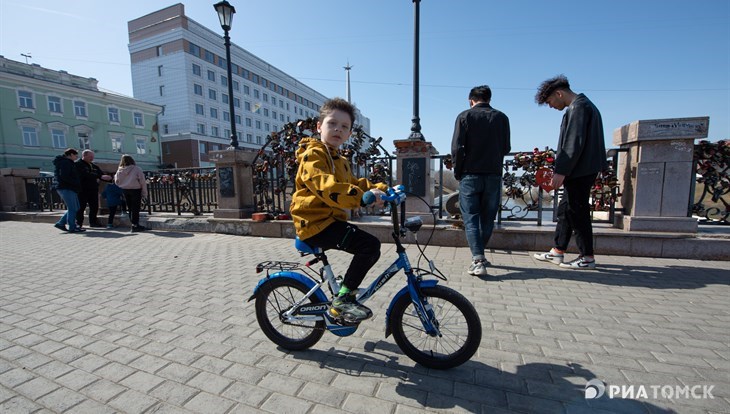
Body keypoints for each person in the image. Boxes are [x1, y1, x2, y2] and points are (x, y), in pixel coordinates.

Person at [290, 98, 388, 323]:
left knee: (366, 245)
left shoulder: (339, 159)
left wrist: (381, 189)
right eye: (332, 123)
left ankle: (344, 291)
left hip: (330, 221)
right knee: (369, 245)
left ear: (350, 133)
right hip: (315, 223)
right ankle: (343, 300)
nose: (338, 129)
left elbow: (354, 183)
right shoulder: (312, 155)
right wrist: (362, 199)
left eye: (344, 127)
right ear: (319, 127)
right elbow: (325, 185)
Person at [533, 75, 607, 269]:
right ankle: (558, 251)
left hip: (580, 170)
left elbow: (573, 142)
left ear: (559, 93)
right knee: (566, 209)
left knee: (577, 211)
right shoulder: (584, 105)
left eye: (550, 101)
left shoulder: (579, 107)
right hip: (582, 168)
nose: (550, 106)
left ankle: (587, 257)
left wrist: (561, 171)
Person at [450, 85, 511, 276]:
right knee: (487, 218)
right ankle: (480, 256)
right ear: (489, 99)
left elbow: (457, 148)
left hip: (470, 174)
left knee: (470, 218)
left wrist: (458, 172)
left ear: (471, 100)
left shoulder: (464, 116)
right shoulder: (502, 117)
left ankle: (477, 260)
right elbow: (506, 148)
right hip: (493, 174)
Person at [75, 150, 112, 228]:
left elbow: (100, 174)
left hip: (93, 189)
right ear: (84, 156)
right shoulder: (78, 164)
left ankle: (93, 222)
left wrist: (107, 178)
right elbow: (84, 175)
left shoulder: (93, 166)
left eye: (93, 157)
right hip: (82, 190)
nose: (92, 158)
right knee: (81, 207)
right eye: (90, 157)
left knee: (94, 206)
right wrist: (99, 176)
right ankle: (79, 223)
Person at [52, 148, 84, 233]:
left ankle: (61, 223)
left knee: (75, 207)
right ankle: (72, 227)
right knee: (73, 208)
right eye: (75, 155)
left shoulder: (66, 162)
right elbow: (64, 176)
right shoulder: (65, 163)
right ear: (70, 154)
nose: (77, 156)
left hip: (68, 187)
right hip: (66, 187)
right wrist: (75, 182)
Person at [114, 155, 149, 233]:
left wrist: (122, 185)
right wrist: (144, 193)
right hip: (136, 190)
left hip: (125, 190)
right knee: (135, 208)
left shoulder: (119, 170)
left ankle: (133, 224)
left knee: (130, 208)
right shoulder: (137, 169)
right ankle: (135, 225)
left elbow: (116, 181)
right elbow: (142, 181)